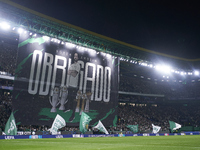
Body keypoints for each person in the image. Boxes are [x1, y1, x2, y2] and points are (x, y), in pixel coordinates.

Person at [65, 53, 80, 122]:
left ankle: (73, 115)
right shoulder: (71, 65)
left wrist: (72, 71)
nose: (75, 57)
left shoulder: (78, 65)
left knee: (74, 101)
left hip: (74, 86)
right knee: (69, 98)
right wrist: (71, 71)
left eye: (76, 56)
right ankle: (68, 108)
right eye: (74, 56)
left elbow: (74, 74)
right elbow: (68, 73)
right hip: (70, 85)